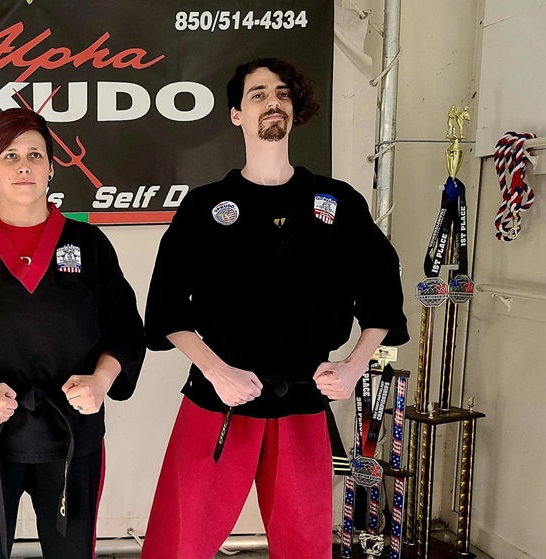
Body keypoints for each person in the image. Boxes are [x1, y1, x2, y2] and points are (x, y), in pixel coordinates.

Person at [140, 58, 409, 558]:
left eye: (282, 93)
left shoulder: (338, 202)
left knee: (306, 544)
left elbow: (382, 298)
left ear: (294, 109)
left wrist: (354, 365)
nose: (272, 102)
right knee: (181, 540)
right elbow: (167, 311)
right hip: (220, 397)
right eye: (259, 93)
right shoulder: (204, 207)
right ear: (236, 114)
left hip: (303, 400)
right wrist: (217, 371)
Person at [0, 108, 145, 559]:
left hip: (70, 429)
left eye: (35, 155)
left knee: (72, 551)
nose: (23, 166)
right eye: (10, 155)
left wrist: (100, 382)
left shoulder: (88, 245)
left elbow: (125, 329)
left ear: (52, 167)